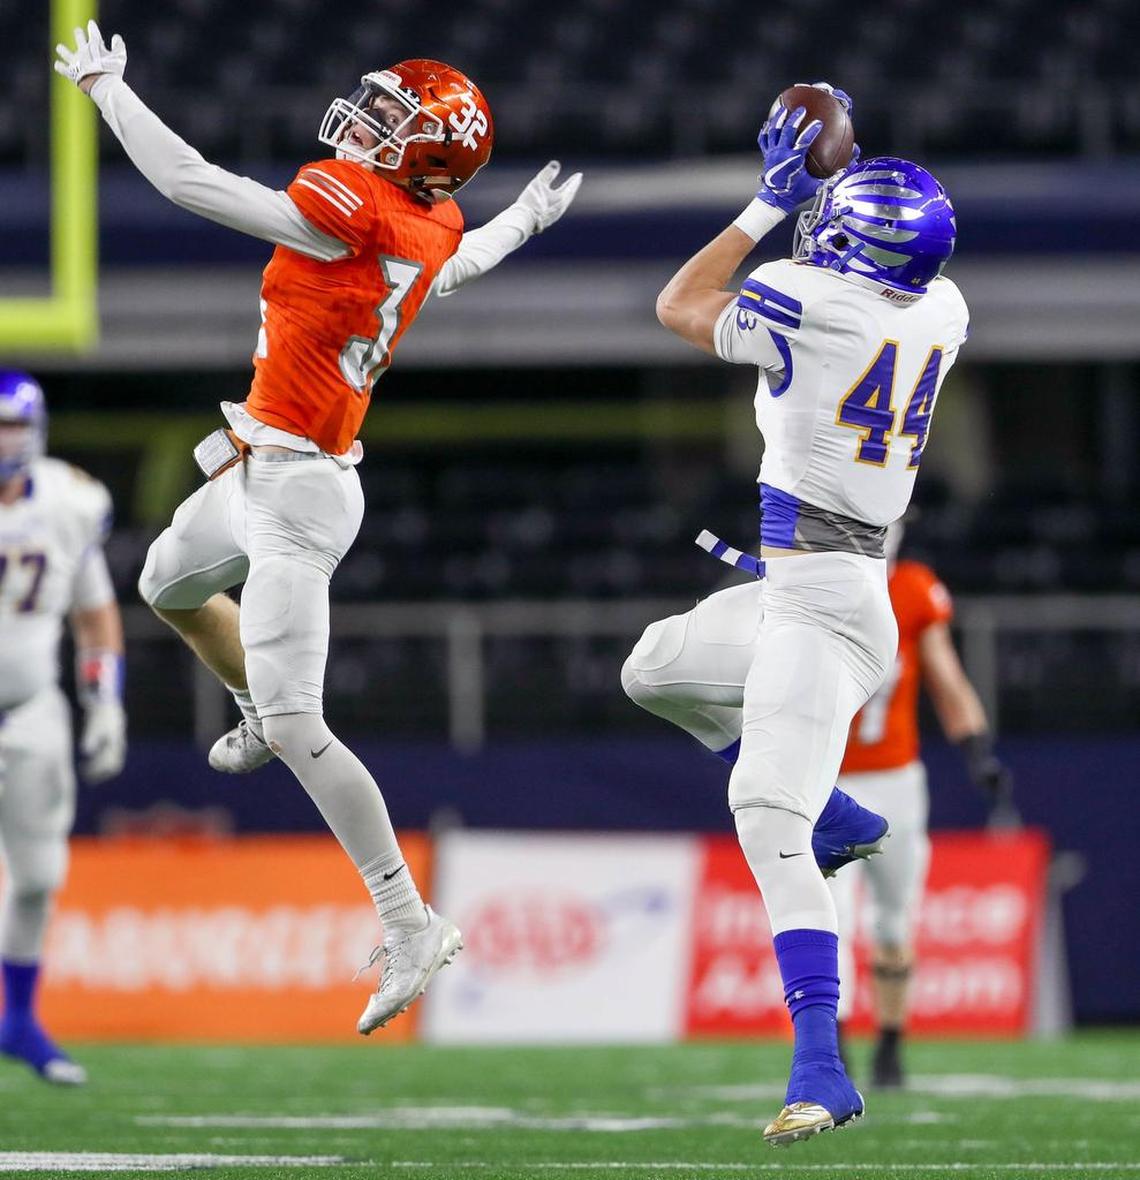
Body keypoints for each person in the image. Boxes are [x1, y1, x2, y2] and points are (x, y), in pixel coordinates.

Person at [55, 20, 581, 1035]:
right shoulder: (424, 218)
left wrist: (110, 92)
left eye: (395, 117)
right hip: (259, 464)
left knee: (304, 727)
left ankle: (409, 920)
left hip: (299, 495)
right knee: (166, 580)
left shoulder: (356, 209)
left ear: (427, 153)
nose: (370, 118)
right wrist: (522, 218)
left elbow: (194, 183)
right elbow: (454, 265)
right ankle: (253, 699)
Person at [622, 86, 967, 1145]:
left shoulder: (806, 300)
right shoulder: (944, 309)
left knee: (763, 813)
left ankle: (823, 1065)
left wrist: (768, 203)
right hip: (815, 585)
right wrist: (843, 192)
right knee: (654, 667)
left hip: (825, 605)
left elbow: (680, 304)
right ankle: (839, 818)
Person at [831, 520, 1013, 1088]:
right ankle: (829, 1050)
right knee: (827, 917)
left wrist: (976, 747)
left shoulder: (911, 588)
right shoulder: (817, 584)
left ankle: (889, 1045)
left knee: (893, 918)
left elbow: (946, 676)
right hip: (826, 780)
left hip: (893, 779)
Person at [0, 371, 127, 1085]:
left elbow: (94, 612)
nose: (3, 441)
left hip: (31, 710)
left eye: (12, 426)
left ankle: (19, 1021)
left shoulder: (68, 501)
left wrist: (104, 702)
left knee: (39, 877)